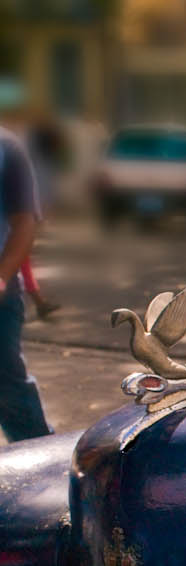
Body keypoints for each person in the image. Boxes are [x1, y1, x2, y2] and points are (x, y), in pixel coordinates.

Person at [0, 118, 53, 442]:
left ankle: (42, 466)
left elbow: (25, 221)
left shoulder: (8, 150)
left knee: (8, 383)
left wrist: (3, 276)